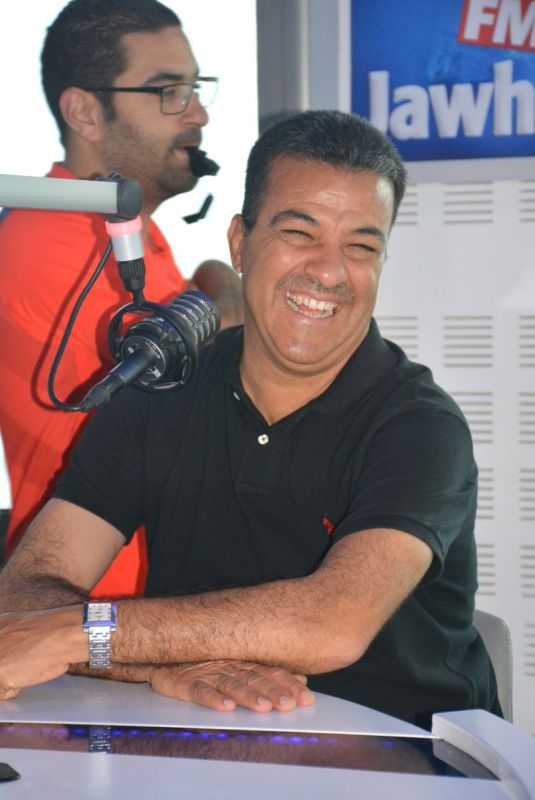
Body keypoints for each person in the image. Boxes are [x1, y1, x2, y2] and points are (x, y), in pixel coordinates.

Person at [0, 110, 500, 727]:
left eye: (361, 246)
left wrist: (78, 635)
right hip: (205, 741)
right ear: (240, 242)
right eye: (300, 233)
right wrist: (151, 664)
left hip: (411, 751)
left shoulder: (419, 426)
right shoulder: (161, 393)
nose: (329, 271)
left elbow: (333, 623)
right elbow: (26, 589)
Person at [0, 0, 242, 597]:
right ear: (84, 112)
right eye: (168, 92)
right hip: (94, 611)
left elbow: (208, 311)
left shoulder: (125, 231)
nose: (198, 113)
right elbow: (216, 390)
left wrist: (218, 280)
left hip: (144, 604)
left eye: (194, 88)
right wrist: (227, 300)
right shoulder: (55, 241)